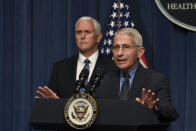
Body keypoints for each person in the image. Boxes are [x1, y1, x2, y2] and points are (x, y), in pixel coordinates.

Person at [97, 28, 178, 122]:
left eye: (126, 47)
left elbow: (170, 113)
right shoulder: (104, 81)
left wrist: (154, 108)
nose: (119, 53)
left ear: (140, 52)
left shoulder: (156, 81)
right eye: (116, 47)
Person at [35, 16, 116, 99]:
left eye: (87, 32)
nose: (82, 36)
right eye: (79, 32)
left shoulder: (112, 68)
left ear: (98, 37)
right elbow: (52, 104)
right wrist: (54, 103)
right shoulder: (60, 68)